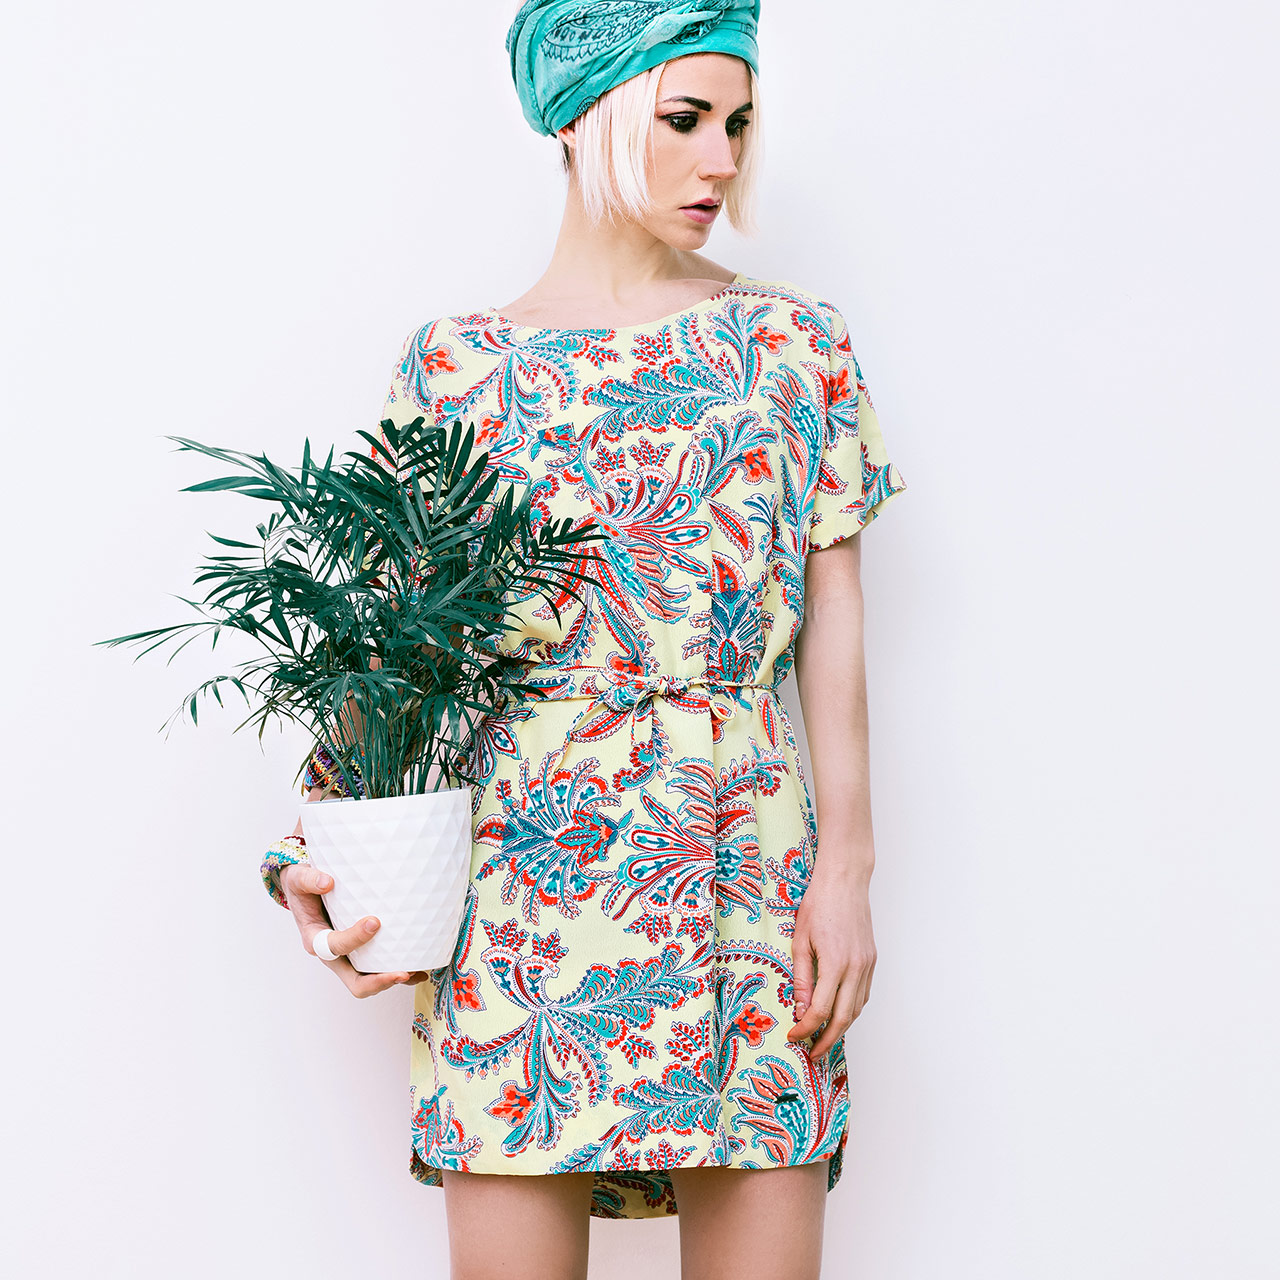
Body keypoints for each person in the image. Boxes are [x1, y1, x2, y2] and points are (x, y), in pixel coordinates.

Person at [260, 2, 907, 1276]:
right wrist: (317, 848)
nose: (720, 160)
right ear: (582, 118)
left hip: (746, 874)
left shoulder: (794, 344)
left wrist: (845, 872)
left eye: (737, 124)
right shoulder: (452, 367)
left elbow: (832, 618)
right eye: (684, 120)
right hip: (521, 897)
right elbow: (392, 648)